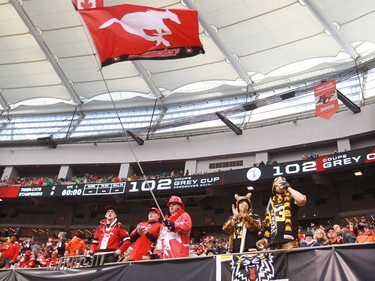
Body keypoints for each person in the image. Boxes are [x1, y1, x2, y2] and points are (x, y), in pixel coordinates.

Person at [261, 176, 307, 249]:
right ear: (274, 187)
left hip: (289, 240)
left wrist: (288, 187)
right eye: (278, 184)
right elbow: (268, 223)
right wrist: (265, 239)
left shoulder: (291, 199)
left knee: (292, 260)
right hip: (274, 241)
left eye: (282, 183)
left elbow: (301, 199)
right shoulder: (271, 203)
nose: (280, 185)